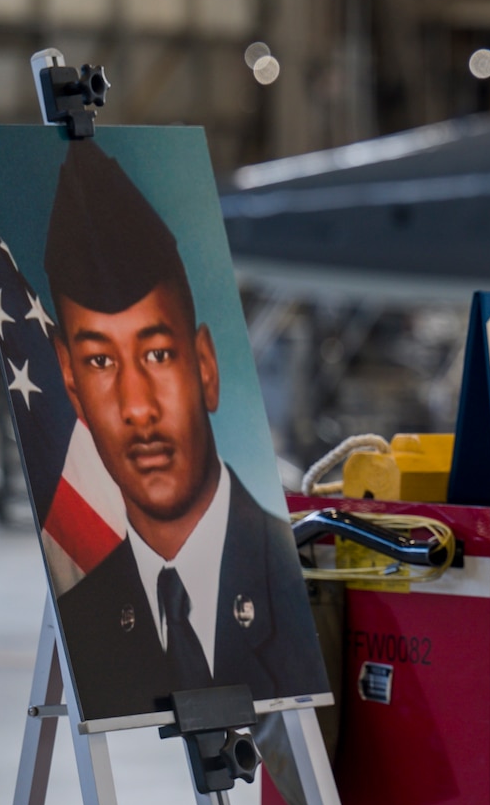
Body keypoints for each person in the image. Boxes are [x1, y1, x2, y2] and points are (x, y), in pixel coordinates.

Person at [45, 140, 325, 721]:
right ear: (70, 384)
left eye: (157, 355)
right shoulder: (87, 617)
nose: (138, 408)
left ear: (206, 366)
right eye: (100, 362)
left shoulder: (288, 587)